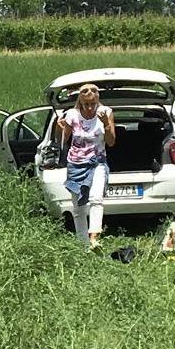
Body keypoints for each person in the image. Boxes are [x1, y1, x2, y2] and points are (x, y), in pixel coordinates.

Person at [56, 84, 116, 249]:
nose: (90, 108)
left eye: (92, 104)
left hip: (97, 162)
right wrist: (58, 127)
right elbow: (62, 140)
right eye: (86, 105)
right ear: (80, 103)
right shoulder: (72, 115)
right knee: (78, 207)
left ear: (97, 101)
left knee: (96, 199)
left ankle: (94, 238)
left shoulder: (106, 113)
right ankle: (83, 245)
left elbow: (111, 142)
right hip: (75, 165)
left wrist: (106, 124)